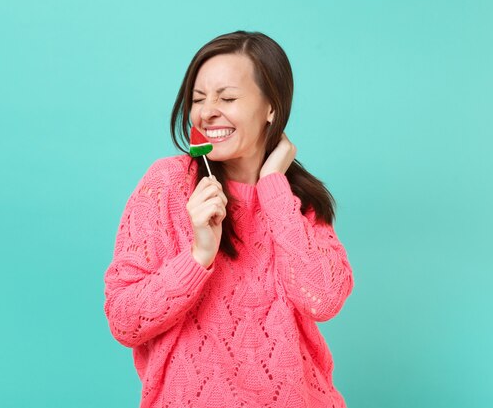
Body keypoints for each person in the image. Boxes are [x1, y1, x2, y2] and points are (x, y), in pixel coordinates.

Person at [104, 30, 354, 408]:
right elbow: (125, 320)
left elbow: (323, 299)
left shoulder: (299, 200)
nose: (207, 111)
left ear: (272, 107)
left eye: (228, 97)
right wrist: (198, 256)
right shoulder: (168, 185)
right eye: (199, 98)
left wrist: (272, 186)